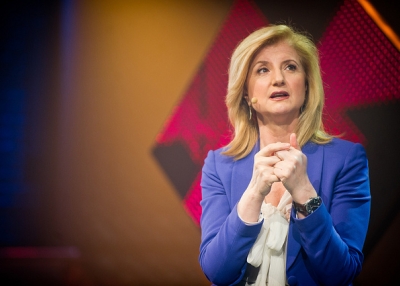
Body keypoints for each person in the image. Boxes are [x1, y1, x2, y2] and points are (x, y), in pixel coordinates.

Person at [199, 24, 371, 286]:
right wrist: (254, 194)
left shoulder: (347, 160)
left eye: (290, 67)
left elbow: (342, 273)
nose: (278, 79)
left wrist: (305, 193)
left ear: (307, 85)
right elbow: (216, 271)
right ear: (246, 93)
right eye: (262, 69)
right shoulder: (219, 165)